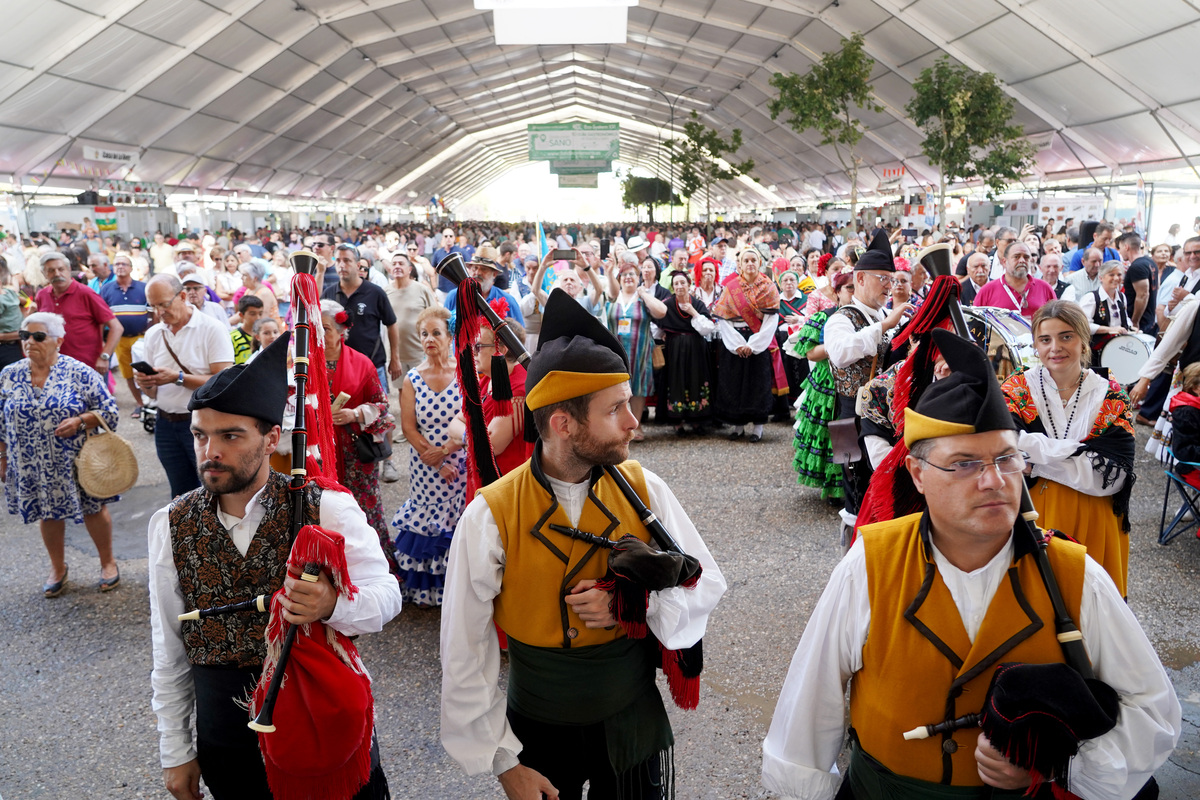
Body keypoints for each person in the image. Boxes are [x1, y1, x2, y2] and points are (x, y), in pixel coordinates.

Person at [762, 328, 1181, 800]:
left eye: (1007, 458)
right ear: (917, 474)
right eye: (963, 463)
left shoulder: (1074, 574)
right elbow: (809, 707)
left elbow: (1154, 710)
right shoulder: (871, 564)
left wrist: (1064, 766)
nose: (993, 481)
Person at [440, 289, 726, 800]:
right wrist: (505, 763)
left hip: (629, 717)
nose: (634, 420)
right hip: (537, 732)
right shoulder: (491, 513)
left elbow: (705, 584)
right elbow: (464, 650)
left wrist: (630, 605)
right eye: (615, 408)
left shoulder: (645, 488)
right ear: (563, 424)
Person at [147, 333, 402, 800]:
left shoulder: (325, 507)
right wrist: (177, 752)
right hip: (226, 732)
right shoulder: (171, 522)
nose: (210, 452)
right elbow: (169, 648)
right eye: (200, 435)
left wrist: (332, 605)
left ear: (270, 439)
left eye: (230, 436)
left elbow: (387, 596)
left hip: (321, 720)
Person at [1002, 300, 1135, 597]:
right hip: (1030, 513)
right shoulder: (1017, 389)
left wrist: (1034, 461)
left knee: (1093, 611)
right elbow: (1003, 443)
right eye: (1045, 339)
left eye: (1066, 336)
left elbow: (1110, 477)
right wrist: (1078, 452)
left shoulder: (1111, 395)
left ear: (1083, 340)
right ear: (1035, 344)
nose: (1055, 348)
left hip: (1094, 517)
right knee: (1036, 606)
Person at [0, 312, 121, 596]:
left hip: (75, 461)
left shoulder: (79, 372)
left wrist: (81, 420)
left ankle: (108, 563)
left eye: (38, 336)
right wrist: (2, 457)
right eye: (24, 336)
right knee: (47, 514)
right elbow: (0, 421)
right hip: (30, 462)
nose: (30, 342)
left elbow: (110, 411)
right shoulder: (9, 374)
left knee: (93, 510)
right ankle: (58, 567)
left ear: (59, 341)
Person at [826, 232, 912, 523]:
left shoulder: (886, 315)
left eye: (893, 279)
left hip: (886, 418)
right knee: (857, 494)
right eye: (883, 278)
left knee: (885, 493)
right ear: (860, 279)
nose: (890, 286)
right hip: (850, 416)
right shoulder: (840, 319)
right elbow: (840, 353)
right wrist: (884, 326)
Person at [392, 306, 466, 607]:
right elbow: (408, 427)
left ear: (450, 336)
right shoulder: (412, 378)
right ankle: (428, 593)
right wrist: (433, 457)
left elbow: (475, 418)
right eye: (424, 334)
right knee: (427, 521)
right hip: (424, 465)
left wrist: (449, 454)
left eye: (436, 333)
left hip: (460, 459)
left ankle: (458, 588)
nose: (430, 339)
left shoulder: (465, 371)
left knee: (457, 521)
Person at [137, 275, 235, 498]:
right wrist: (146, 383)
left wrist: (178, 377)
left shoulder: (211, 328)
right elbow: (152, 392)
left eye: (164, 304)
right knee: (181, 495)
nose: (159, 312)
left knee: (214, 491)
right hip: (165, 423)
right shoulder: (154, 333)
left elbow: (224, 381)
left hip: (203, 425)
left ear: (182, 296)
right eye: (153, 306)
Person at [318, 299, 395, 571]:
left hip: (354, 454)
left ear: (342, 332)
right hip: (317, 454)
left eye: (325, 328)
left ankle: (376, 570)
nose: (319, 335)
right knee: (323, 512)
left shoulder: (362, 364)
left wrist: (355, 414)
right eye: (315, 328)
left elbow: (383, 406)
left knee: (364, 511)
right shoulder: (302, 365)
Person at [710, 248, 786, 442]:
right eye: (746, 261)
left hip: (758, 340)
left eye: (754, 260)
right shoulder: (730, 286)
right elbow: (724, 320)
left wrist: (753, 345)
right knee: (734, 383)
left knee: (757, 383)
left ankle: (758, 427)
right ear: (740, 265)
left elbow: (771, 322)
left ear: (759, 263)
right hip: (734, 341)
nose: (750, 264)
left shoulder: (769, 287)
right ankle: (738, 425)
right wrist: (737, 344)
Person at [792, 271, 853, 505]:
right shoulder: (823, 317)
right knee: (829, 431)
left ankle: (852, 484)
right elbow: (810, 353)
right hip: (827, 383)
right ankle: (833, 488)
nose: (853, 292)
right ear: (837, 292)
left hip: (854, 382)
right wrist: (838, 345)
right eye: (848, 288)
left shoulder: (866, 318)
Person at [322, 243, 402, 393]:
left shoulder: (375, 293)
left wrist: (395, 358)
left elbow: (391, 324)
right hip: (339, 367)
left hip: (372, 364)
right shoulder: (329, 294)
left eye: (347, 261)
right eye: (338, 260)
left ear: (358, 265)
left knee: (378, 410)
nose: (341, 265)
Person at [604, 258, 667, 440]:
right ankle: (617, 426)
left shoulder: (643, 298)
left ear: (638, 277)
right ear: (619, 278)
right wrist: (609, 273)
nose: (628, 277)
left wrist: (644, 293)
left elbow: (662, 311)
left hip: (640, 351)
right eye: (624, 274)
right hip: (616, 352)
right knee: (616, 389)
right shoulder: (614, 296)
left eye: (632, 273)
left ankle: (636, 426)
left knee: (637, 388)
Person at [35, 251, 123, 376]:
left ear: (69, 269)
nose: (57, 274)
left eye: (61, 269)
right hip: (55, 367)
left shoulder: (86, 293)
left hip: (88, 366)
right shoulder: (42, 295)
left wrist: (104, 357)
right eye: (51, 271)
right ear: (44, 274)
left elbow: (117, 327)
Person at [659, 269, 716, 435]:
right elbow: (656, 324)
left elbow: (708, 329)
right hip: (674, 348)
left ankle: (697, 419)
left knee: (696, 379)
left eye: (682, 283)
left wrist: (693, 312)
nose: (679, 286)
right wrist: (662, 334)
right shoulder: (667, 304)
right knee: (676, 380)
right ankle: (678, 422)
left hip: (696, 348)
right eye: (676, 283)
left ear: (689, 285)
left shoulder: (697, 304)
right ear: (672, 287)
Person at [100, 252, 151, 415]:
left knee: (146, 372)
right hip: (119, 340)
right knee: (127, 373)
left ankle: (152, 402)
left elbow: (153, 312)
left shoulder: (143, 288)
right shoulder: (107, 289)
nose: (120, 267)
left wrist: (151, 330)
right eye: (117, 264)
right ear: (113, 268)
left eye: (124, 264)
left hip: (141, 338)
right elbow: (101, 316)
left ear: (131, 268)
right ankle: (140, 403)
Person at [972, 241, 1056, 318]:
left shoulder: (1045, 288)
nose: (1022, 260)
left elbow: (1055, 319)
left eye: (1026, 257)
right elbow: (975, 323)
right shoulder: (987, 290)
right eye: (1016, 257)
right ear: (1004, 262)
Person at [1077, 261, 1131, 357]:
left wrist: (1131, 327)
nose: (1116, 278)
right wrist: (1110, 329)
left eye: (1119, 274)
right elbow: (1084, 325)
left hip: (1119, 348)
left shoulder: (1122, 297)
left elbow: (1124, 318)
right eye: (1111, 275)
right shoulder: (1091, 297)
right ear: (1101, 278)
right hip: (1097, 351)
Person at [229, 294, 263, 364]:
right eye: (252, 314)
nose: (258, 318)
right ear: (241, 315)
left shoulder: (264, 335)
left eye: (260, 313)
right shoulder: (233, 338)